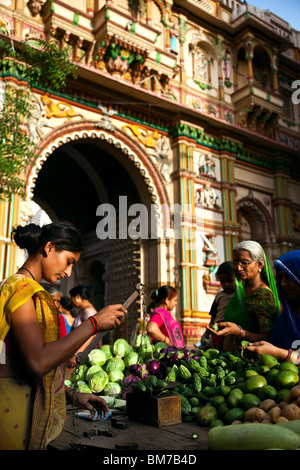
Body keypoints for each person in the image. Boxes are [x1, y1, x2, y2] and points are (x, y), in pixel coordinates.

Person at [0, 221, 126, 450]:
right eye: (69, 261)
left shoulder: (17, 287)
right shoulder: (22, 291)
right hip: (11, 410)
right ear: (49, 247)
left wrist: (71, 394)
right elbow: (38, 361)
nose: (68, 272)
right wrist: (94, 324)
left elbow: (28, 361)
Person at [206, 240, 281, 350]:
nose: (238, 268)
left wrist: (239, 332)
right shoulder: (240, 290)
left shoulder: (262, 295)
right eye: (235, 263)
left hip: (250, 360)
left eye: (244, 263)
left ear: (260, 264)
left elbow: (268, 337)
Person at [245, 250, 300, 364]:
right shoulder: (286, 317)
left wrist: (278, 353)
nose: (284, 283)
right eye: (281, 277)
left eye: (289, 277)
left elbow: (277, 351)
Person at [203, 261, 237, 349]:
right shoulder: (219, 295)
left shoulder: (239, 295)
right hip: (218, 328)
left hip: (233, 328)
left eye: (230, 280)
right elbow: (214, 314)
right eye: (223, 281)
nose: (226, 284)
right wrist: (208, 330)